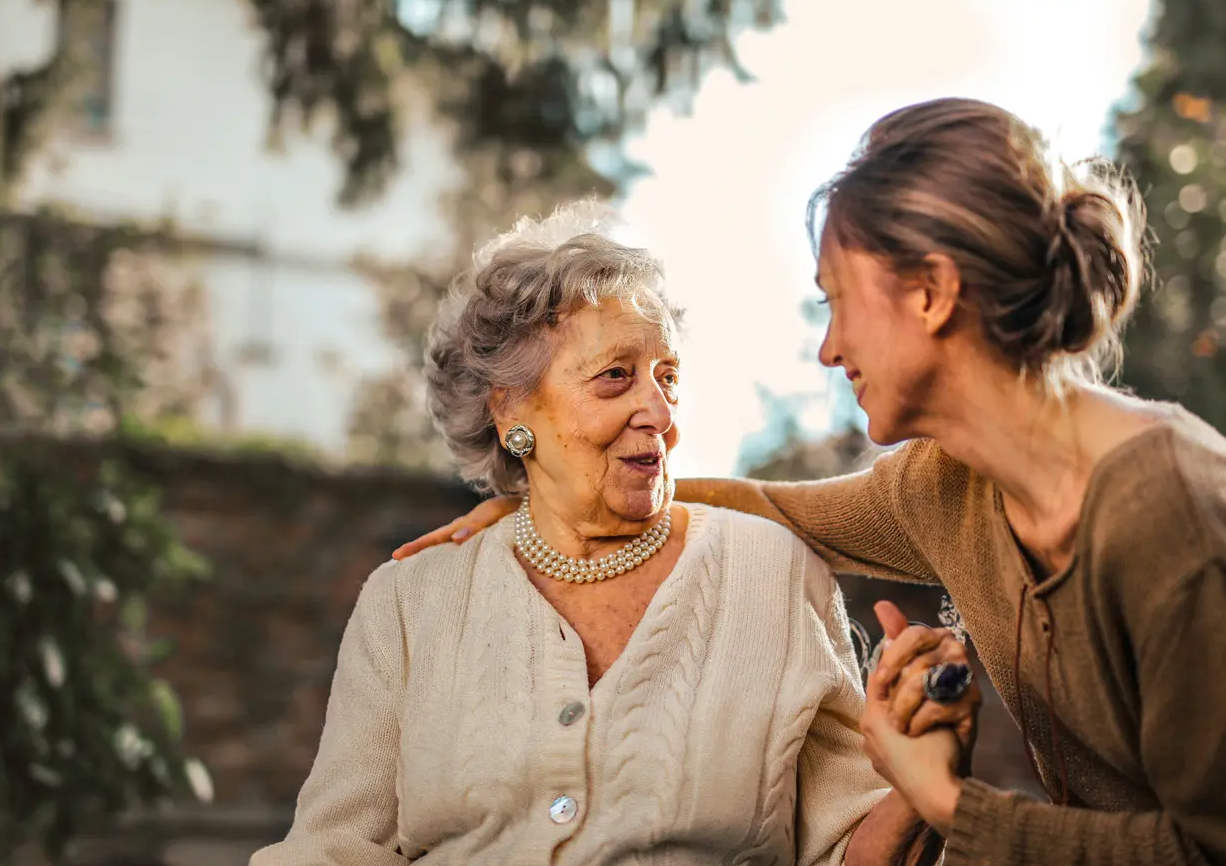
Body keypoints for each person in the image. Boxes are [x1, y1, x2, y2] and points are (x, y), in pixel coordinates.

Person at [392, 98, 1226, 866]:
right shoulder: (946, 486)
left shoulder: (1170, 514)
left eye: (837, 301)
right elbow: (770, 507)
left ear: (932, 294)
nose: (828, 349)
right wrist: (545, 484)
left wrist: (942, 796)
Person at [252, 202, 967, 866]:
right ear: (510, 413)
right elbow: (332, 849)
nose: (658, 411)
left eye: (668, 378)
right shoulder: (411, 601)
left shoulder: (771, 574)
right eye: (615, 377)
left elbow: (847, 850)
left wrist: (918, 783)